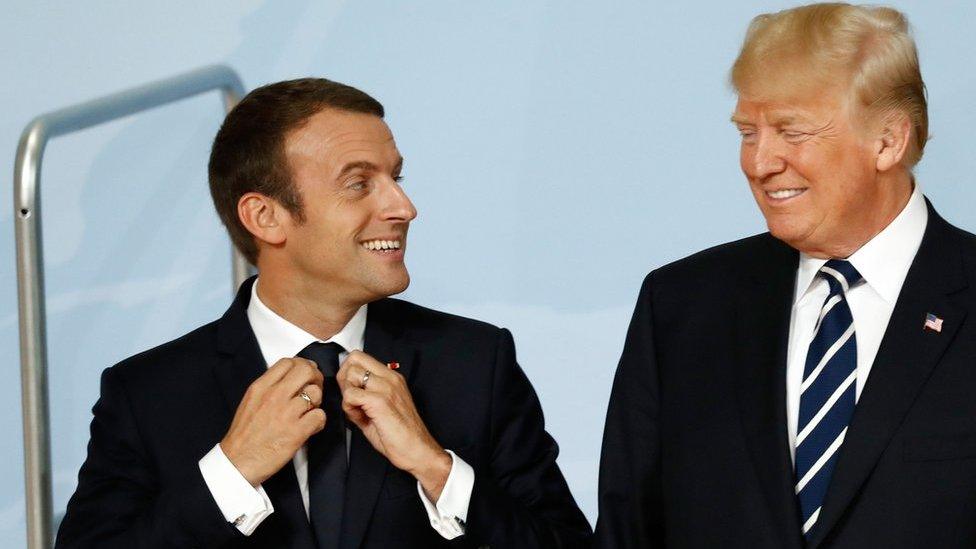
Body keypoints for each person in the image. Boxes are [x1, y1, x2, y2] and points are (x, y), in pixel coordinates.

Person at [56, 77, 590, 548]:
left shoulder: (476, 363)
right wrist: (230, 473)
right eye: (359, 183)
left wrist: (437, 468)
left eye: (395, 179)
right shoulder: (148, 392)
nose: (403, 208)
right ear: (265, 216)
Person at [595, 3, 976, 548]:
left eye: (791, 132)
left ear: (888, 141)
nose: (759, 162)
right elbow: (627, 533)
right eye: (748, 132)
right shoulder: (681, 307)